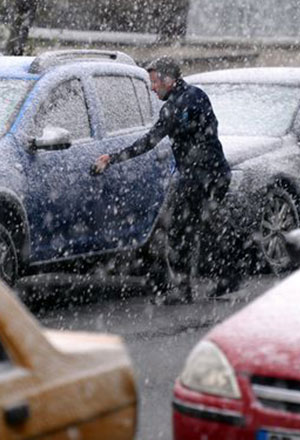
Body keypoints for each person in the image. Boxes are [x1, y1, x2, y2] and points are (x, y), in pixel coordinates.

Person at [92, 57, 240, 304]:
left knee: (180, 231)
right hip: (215, 174)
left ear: (168, 80)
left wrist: (113, 158)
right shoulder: (196, 95)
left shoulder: (178, 105)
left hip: (199, 177)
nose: (151, 88)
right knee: (203, 228)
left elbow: (150, 141)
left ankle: (184, 289)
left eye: (154, 82)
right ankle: (226, 277)